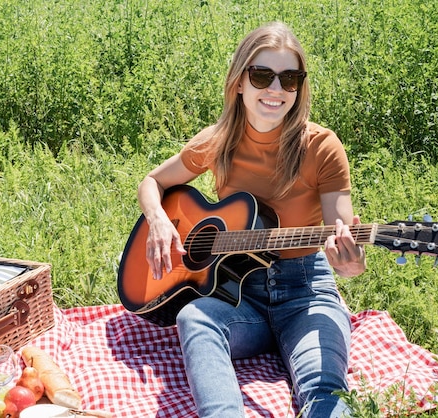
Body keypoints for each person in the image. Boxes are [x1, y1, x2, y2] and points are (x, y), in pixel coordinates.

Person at [136, 21, 366, 418]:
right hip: (240, 296)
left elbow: (342, 238)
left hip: (307, 292)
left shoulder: (322, 147)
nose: (276, 90)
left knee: (327, 392)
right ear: (240, 81)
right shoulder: (218, 140)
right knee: (194, 316)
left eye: (289, 79)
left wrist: (351, 263)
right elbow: (153, 181)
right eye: (262, 75)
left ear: (299, 87)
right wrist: (158, 219)